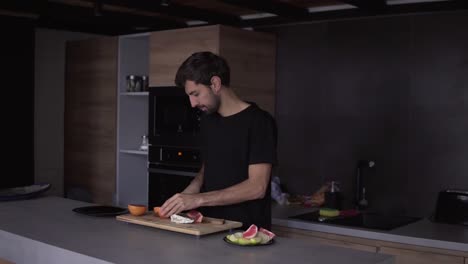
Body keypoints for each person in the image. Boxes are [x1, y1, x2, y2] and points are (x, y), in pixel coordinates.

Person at [159, 51, 277, 229]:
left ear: (215, 83)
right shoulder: (208, 120)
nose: (192, 103)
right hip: (210, 227)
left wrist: (197, 199)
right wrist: (186, 194)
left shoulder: (259, 122)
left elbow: (257, 187)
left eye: (196, 94)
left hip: (245, 233)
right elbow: (209, 168)